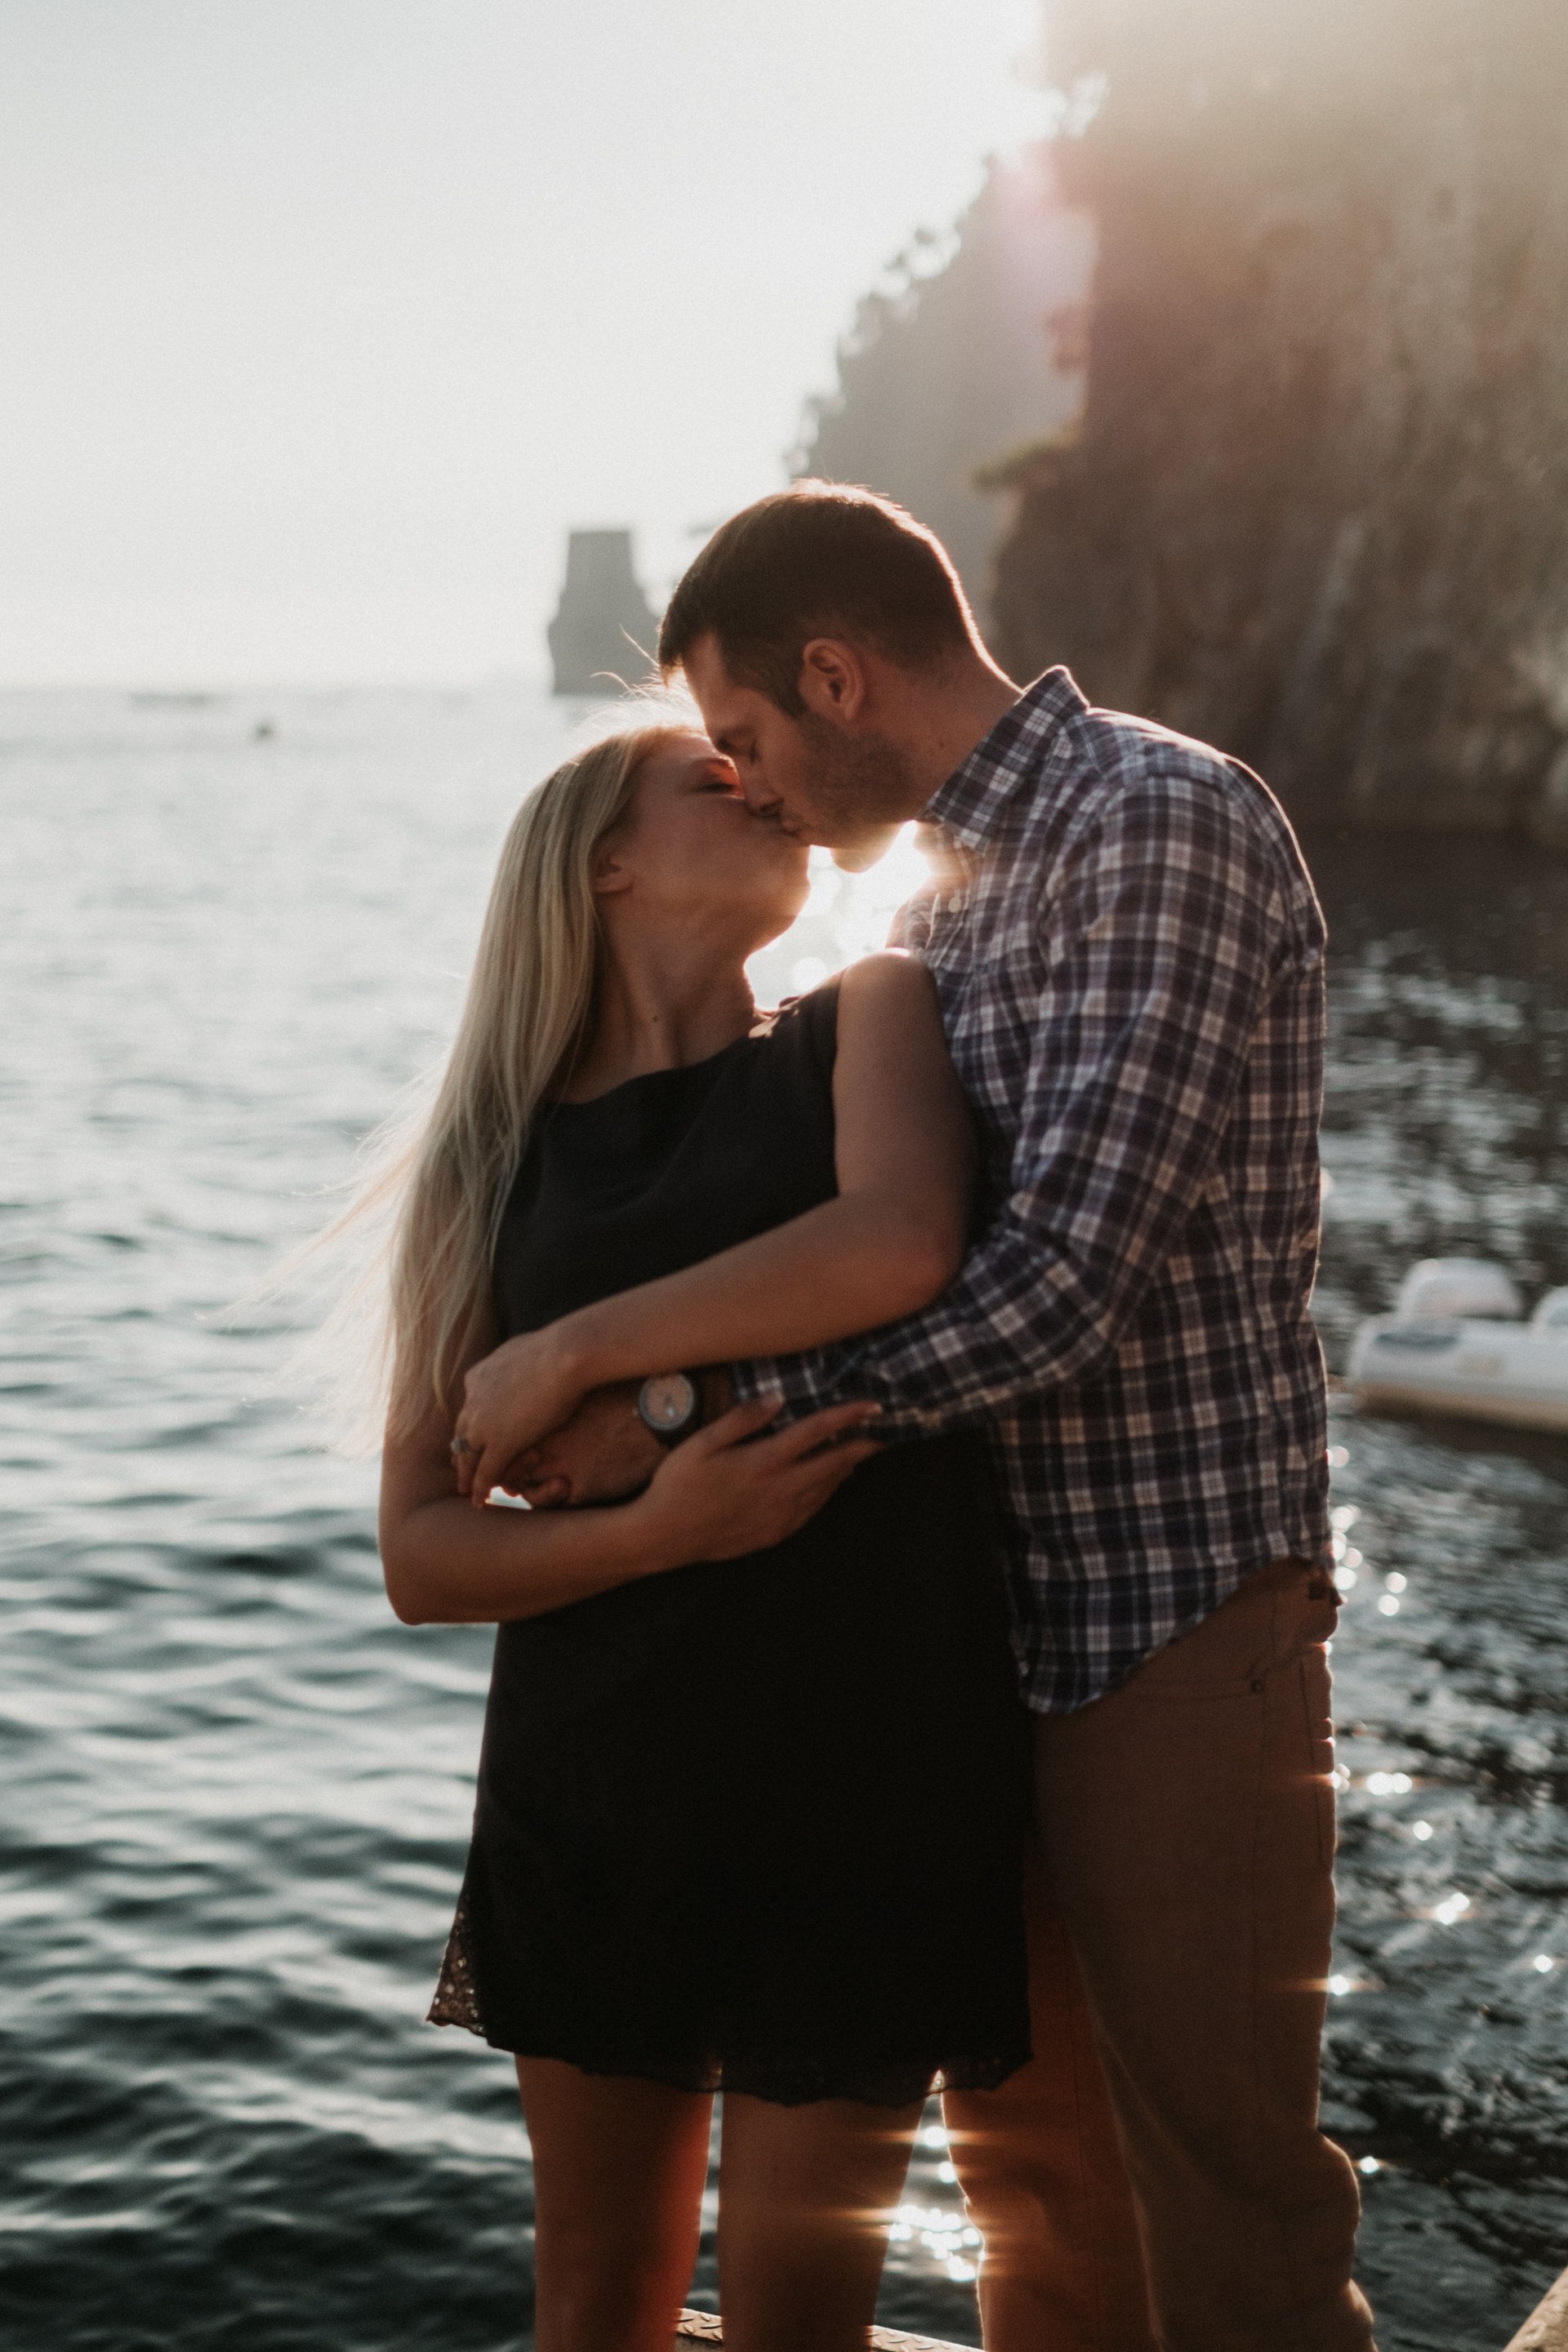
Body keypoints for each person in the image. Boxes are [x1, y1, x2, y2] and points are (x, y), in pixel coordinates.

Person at [461, 485, 1378, 2352]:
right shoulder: (938, 904)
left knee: (1225, 2203)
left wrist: (667, 1416)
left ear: (835, 677)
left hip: (1171, 1620)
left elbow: (1057, 1291)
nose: (749, 783)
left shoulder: (1153, 820)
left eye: (744, 734)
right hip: (961, 1659)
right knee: (1041, 2205)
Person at [372, 719, 1031, 2352]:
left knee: (803, 2316)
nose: (770, 795)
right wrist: (669, 1529)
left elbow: (899, 1242)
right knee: (598, 2296)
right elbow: (423, 1555)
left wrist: (584, 1358)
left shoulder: (869, 1013)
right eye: (713, 781)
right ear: (605, 863)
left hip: (866, 1760)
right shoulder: (489, 1161)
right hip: (599, 1787)